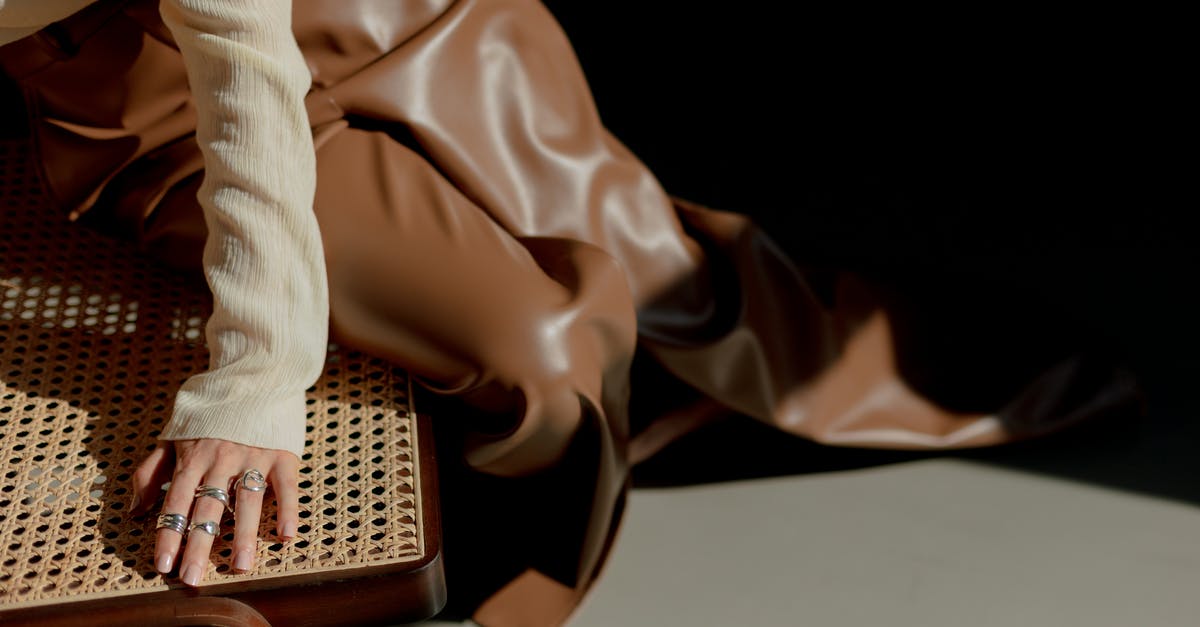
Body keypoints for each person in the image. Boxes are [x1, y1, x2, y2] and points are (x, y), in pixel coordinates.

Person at [0, 1, 1136, 624]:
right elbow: (238, 107)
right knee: (542, 352)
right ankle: (509, 590)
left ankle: (831, 376)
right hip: (144, 85)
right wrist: (260, 373)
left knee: (659, 272)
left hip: (365, 8)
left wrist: (253, 375)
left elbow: (244, 42)